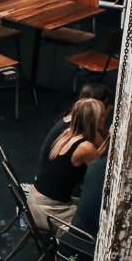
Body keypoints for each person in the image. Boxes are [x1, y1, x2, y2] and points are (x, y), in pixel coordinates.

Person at [28, 97, 108, 231]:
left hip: (35, 199)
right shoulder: (85, 147)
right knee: (94, 220)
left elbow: (94, 156)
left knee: (87, 209)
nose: (104, 119)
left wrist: (109, 139)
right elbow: (100, 172)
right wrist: (110, 140)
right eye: (101, 116)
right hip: (48, 210)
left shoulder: (67, 134)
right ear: (92, 120)